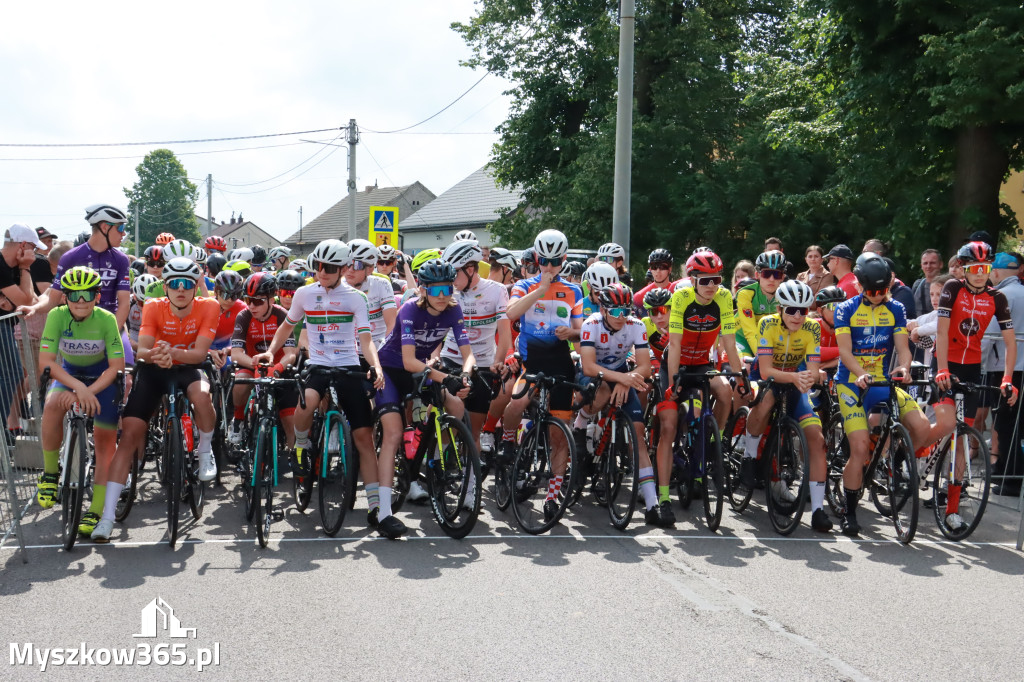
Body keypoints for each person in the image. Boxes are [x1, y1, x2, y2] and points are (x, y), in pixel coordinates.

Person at [254, 240, 388, 535]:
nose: (321, 272)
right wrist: (270, 351)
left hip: (348, 364)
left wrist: (375, 367)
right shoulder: (304, 293)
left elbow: (366, 338)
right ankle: (302, 445)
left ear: (342, 269)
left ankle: (377, 506)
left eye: (328, 268)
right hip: (317, 364)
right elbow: (287, 326)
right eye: (318, 267)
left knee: (364, 437)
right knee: (307, 403)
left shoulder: (355, 298)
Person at [98, 257, 221, 542]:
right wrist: (161, 354)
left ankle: (204, 450)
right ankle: (106, 517)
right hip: (154, 371)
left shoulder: (210, 306)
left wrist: (170, 352)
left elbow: (200, 354)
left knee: (202, 396)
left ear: (195, 287)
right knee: (128, 436)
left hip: (188, 369)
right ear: (164, 287)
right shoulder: (153, 306)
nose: (180, 290)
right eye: (174, 284)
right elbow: (143, 352)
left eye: (187, 284)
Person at [369, 258, 474, 534]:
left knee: (457, 407)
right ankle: (384, 513)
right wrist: (446, 377)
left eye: (448, 289)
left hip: (421, 370)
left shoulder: (453, 310)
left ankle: (434, 456)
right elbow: (408, 362)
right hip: (392, 370)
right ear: (424, 290)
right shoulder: (409, 310)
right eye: (436, 290)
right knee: (392, 433)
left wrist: (465, 375)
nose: (443, 297)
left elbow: (468, 353)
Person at [833, 254, 933, 536]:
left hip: (883, 381)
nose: (878, 296)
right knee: (860, 447)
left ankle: (889, 457)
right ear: (860, 286)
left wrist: (904, 367)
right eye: (872, 291)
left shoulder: (897, 308)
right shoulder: (846, 309)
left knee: (922, 426)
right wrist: (859, 373)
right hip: (851, 382)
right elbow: (845, 352)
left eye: (883, 291)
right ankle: (849, 510)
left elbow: (903, 347)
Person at [34, 267, 125, 541]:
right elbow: (47, 363)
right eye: (74, 294)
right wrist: (78, 389)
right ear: (65, 297)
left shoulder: (107, 319)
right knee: (52, 406)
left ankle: (96, 509)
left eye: (87, 294)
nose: (81, 300)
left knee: (105, 439)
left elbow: (116, 366)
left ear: (97, 296)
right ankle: (50, 474)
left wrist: (88, 392)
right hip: (71, 376)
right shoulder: (56, 316)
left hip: (102, 379)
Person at [501, 230, 584, 521]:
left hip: (560, 362)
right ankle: (508, 441)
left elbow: (580, 332)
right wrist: (540, 288)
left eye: (556, 261)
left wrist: (572, 332)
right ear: (537, 259)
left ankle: (552, 495)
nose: (550, 267)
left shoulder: (574, 291)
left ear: (563, 260)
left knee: (559, 434)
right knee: (516, 403)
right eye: (545, 261)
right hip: (531, 361)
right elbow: (511, 314)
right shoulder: (523, 285)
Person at [933, 243, 1018, 525]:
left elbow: (1009, 342)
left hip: (971, 368)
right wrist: (942, 368)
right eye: (974, 269)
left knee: (961, 437)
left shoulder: (998, 297)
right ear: (965, 270)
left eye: (985, 269)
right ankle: (910, 453)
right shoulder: (952, 289)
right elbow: (942, 332)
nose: (981, 274)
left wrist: (1007, 378)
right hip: (946, 362)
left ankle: (952, 511)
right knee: (945, 424)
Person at [660, 250, 746, 525]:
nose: (712, 286)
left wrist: (740, 377)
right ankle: (662, 496)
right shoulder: (681, 298)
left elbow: (730, 343)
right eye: (706, 280)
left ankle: (712, 439)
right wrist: (674, 382)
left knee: (724, 392)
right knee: (670, 423)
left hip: (702, 363)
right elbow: (673, 344)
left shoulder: (723, 297)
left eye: (717, 280)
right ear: (693, 279)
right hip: (676, 364)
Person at [741, 280, 831, 532]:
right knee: (767, 399)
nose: (797, 316)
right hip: (768, 377)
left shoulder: (812, 328)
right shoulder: (767, 323)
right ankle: (749, 455)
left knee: (816, 436)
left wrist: (808, 377)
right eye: (791, 310)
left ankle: (818, 511)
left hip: (795, 380)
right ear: (780, 309)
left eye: (802, 310)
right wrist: (796, 377)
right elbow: (768, 369)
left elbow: (812, 370)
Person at [574, 283, 660, 524]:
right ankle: (581, 423)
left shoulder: (637, 325)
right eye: (616, 312)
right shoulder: (591, 324)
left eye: (627, 310)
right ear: (603, 310)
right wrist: (623, 378)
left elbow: (644, 366)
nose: (622, 317)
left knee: (639, 434)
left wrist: (625, 381)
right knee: (601, 391)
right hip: (593, 375)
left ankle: (653, 504)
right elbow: (589, 366)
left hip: (622, 374)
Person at [22, 205, 132, 366]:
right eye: (120, 227)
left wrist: (111, 333)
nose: (123, 233)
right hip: (80, 327)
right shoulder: (70, 257)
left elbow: (124, 303)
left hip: (112, 323)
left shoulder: (121, 259)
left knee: (126, 379)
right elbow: (53, 298)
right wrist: (34, 309)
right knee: (74, 377)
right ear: (104, 227)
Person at [437, 239, 511, 480]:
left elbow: (504, 332)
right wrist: (434, 357)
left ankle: (471, 490)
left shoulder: (497, 290)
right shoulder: (449, 292)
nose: (450, 280)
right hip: (450, 359)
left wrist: (498, 362)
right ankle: (436, 465)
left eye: (453, 273)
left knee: (474, 433)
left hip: (482, 363)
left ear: (470, 269)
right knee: (444, 422)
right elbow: (437, 331)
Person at [230, 272, 300, 447]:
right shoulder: (243, 316)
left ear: (271, 298)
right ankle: (238, 420)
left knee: (292, 423)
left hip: (278, 367)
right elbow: (237, 354)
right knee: (240, 381)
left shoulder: (282, 314)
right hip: (250, 363)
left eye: (258, 301)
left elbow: (291, 354)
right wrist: (256, 365)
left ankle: (295, 463)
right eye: (248, 300)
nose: (252, 306)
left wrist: (276, 368)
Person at [983, 253, 1024, 494]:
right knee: (1015, 422)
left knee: (1006, 423)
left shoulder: (1000, 296)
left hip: (1005, 368)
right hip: (1018, 366)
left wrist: (976, 363)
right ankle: (1007, 472)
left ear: (995, 272)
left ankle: (1010, 479)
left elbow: (988, 335)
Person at [1, 225, 41, 433]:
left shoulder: (15, 267)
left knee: (13, 374)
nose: (35, 253)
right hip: (3, 328)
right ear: (23, 245)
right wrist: (25, 268)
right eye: (33, 247)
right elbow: (25, 300)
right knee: (13, 373)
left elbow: (31, 301)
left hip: (6, 327)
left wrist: (23, 270)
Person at [344, 239, 397, 349]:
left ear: (370, 269)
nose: (350, 270)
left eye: (357, 265)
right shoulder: (336, 286)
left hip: (378, 346)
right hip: (347, 349)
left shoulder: (381, 284)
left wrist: (385, 351)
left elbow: (392, 324)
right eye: (347, 264)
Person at [734, 250, 786, 358]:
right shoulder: (746, 293)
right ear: (757, 275)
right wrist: (762, 356)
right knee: (746, 367)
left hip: (770, 342)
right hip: (741, 338)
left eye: (777, 274)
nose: (771, 279)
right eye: (766, 274)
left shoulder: (786, 296)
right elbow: (750, 330)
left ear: (782, 277)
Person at [634, 249, 676, 315]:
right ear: (650, 269)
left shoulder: (676, 291)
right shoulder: (639, 297)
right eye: (654, 267)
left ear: (670, 269)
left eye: (662, 267)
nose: (658, 271)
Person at [912, 248, 943, 315]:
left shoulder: (948, 285)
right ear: (921, 266)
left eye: (932, 263)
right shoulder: (917, 285)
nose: (928, 266)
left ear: (940, 264)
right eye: (925, 263)